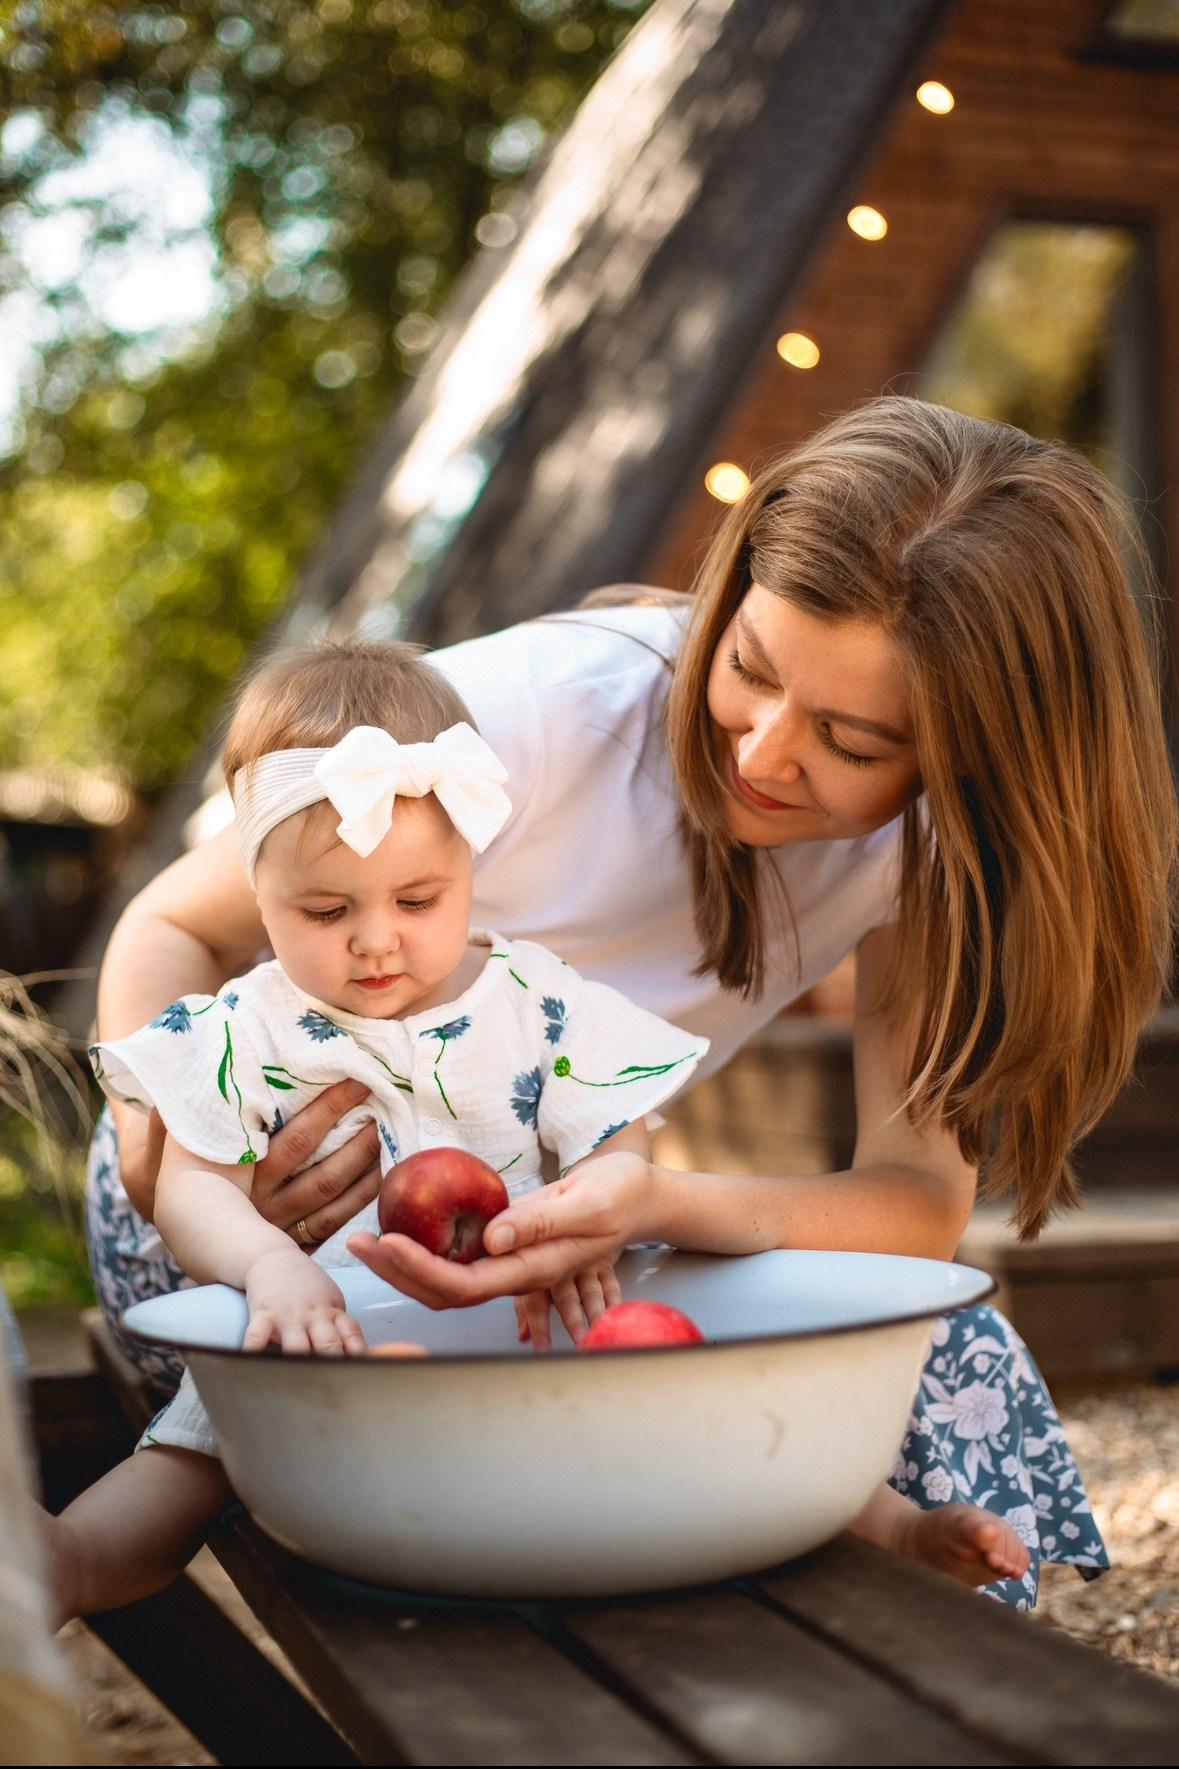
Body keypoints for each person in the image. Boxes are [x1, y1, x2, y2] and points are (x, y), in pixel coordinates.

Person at [86, 398, 1173, 1607]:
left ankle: (953, 1693)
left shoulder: (936, 852)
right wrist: (184, 1166)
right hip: (245, 1213)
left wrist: (651, 1200)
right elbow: (171, 925)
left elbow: (917, 1199)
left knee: (950, 1342)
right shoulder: (539, 709)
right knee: (443, 1395)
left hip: (534, 1214)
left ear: (975, 750)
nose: (763, 753)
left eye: (854, 740)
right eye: (749, 667)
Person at [49, 639, 712, 1621]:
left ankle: (881, 1525)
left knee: (680, 1398)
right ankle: (59, 1564)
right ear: (256, 888)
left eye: (418, 898)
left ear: (469, 865)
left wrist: (592, 1208)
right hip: (321, 1334)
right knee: (185, 1470)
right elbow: (189, 1185)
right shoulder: (245, 1028)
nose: (375, 936)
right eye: (324, 907)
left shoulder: (534, 1000)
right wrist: (267, 1262)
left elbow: (617, 1126)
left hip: (517, 1322)